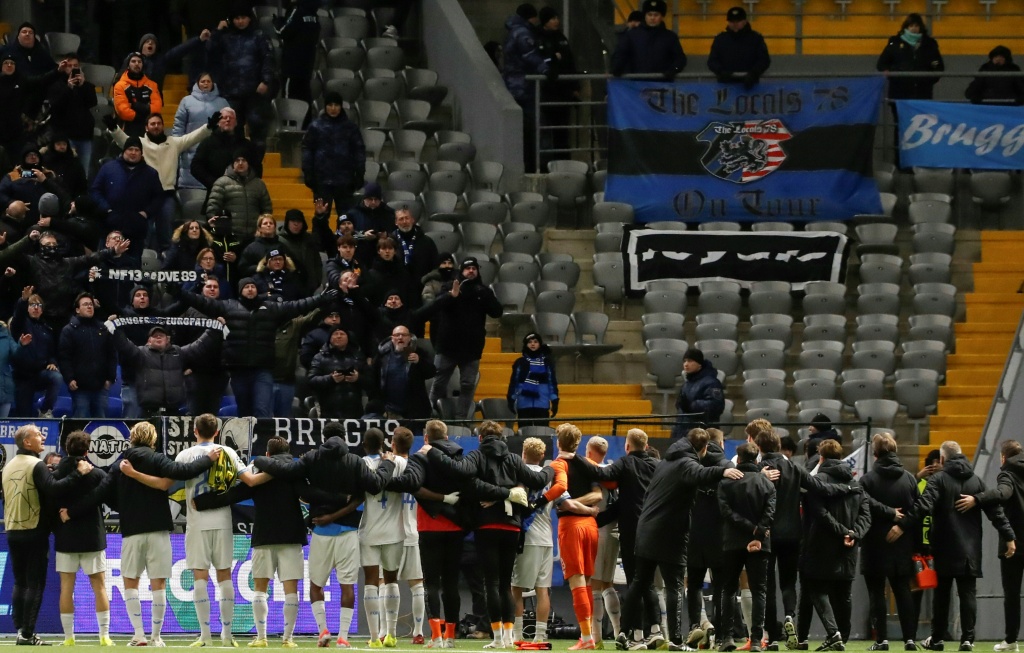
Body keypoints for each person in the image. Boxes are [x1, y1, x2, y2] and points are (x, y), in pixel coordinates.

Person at [250, 422, 397, 649]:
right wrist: (388, 463)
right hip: (348, 532)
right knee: (347, 586)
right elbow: (376, 485)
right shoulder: (355, 461)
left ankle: (323, 631)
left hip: (320, 532)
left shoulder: (312, 458)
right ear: (344, 436)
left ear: (323, 437)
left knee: (316, 585)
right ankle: (343, 637)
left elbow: (287, 472)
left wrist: (259, 460)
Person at [78, 422, 219, 646]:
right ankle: (156, 637)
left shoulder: (119, 464)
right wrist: (208, 459)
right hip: (158, 529)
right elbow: (183, 472)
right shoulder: (157, 459)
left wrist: (77, 510)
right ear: (153, 439)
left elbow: (100, 494)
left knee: (130, 582)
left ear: (132, 438)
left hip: (132, 531)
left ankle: (138, 635)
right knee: (158, 584)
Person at [618, 429, 744, 651]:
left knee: (639, 582)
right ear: (704, 448)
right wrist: (724, 471)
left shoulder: (665, 462)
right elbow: (700, 474)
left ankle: (623, 633)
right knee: (675, 585)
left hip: (645, 528)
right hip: (670, 533)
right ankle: (676, 640)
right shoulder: (687, 463)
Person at [421, 420, 543, 649]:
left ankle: (497, 638)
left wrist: (432, 451)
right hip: (512, 526)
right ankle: (508, 636)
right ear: (502, 437)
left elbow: (462, 474)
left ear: (479, 438)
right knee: (505, 584)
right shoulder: (514, 459)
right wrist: (554, 468)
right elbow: (538, 480)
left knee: (491, 583)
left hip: (486, 526)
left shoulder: (476, 456)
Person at [192, 436, 306, 648]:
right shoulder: (294, 472)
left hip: (264, 535)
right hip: (292, 536)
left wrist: (203, 501)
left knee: (260, 589)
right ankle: (288, 639)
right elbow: (307, 495)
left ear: (268, 454)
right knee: (291, 590)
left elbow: (233, 494)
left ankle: (262, 638)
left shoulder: (258, 471)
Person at [904, 441, 1016, 651]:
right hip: (970, 548)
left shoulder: (938, 479)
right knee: (968, 594)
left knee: (942, 595)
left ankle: (937, 639)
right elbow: (996, 513)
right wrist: (1009, 536)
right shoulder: (977, 481)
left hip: (944, 546)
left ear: (942, 459)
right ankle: (967, 639)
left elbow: (924, 506)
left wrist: (902, 524)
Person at [172, 277, 336, 417]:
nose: (250, 289)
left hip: (262, 370)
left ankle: (262, 443)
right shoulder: (227, 306)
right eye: (246, 287)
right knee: (244, 411)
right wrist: (180, 293)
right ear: (240, 290)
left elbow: (298, 305)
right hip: (238, 369)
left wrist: (321, 299)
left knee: (262, 410)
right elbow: (201, 301)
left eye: (253, 286)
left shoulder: (271, 308)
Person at [1, 423, 93, 646]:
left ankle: (20, 630)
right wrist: (79, 473)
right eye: (37, 435)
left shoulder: (9, 465)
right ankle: (27, 634)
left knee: (20, 582)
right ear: (27, 442)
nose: (42, 437)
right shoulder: (36, 465)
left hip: (12, 530)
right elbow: (55, 489)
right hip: (34, 531)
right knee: (34, 583)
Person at [104, 110, 218, 253]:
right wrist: (114, 128)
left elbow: (193, 137)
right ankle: (143, 259)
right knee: (143, 233)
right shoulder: (140, 143)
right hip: (145, 197)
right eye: (152, 124)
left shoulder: (174, 143)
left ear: (163, 126)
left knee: (166, 234)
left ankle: (166, 260)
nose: (156, 126)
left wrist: (208, 127)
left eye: (159, 123)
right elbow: (123, 140)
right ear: (146, 127)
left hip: (166, 196)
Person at [798, 439, 870, 652]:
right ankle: (843, 637)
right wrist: (854, 533)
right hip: (849, 547)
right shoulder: (855, 483)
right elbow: (866, 514)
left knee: (816, 589)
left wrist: (842, 531)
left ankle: (833, 633)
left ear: (820, 458)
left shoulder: (817, 482)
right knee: (843, 594)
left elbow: (820, 513)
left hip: (820, 544)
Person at [859, 433, 920, 652]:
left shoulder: (867, 480)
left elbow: (862, 504)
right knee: (903, 591)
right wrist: (902, 526)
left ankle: (881, 640)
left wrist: (887, 514)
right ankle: (909, 639)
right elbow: (919, 510)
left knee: (876, 593)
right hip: (902, 544)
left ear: (874, 454)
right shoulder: (909, 479)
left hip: (874, 544)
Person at [961, 439, 1024, 652]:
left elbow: (1002, 493)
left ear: (1003, 457)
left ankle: (1011, 641)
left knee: (1012, 593)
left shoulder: (1007, 474)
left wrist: (977, 499)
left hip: (1014, 543)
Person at [51, 430, 113, 647]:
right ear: (88, 450)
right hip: (91, 537)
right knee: (100, 586)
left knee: (66, 587)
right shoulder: (97, 475)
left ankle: (69, 638)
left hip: (66, 537)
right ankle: (104, 636)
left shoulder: (57, 474)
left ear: (66, 448)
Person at [424, 257, 502, 419]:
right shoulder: (449, 286)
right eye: (467, 268)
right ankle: (427, 414)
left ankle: (461, 419)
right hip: (447, 347)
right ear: (461, 271)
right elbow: (436, 305)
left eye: (474, 268)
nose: (471, 271)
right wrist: (451, 296)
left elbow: (497, 312)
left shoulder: (483, 291)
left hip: (472, 349)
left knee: (468, 385)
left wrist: (485, 295)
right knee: (438, 383)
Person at [717, 443, 776, 653]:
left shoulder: (726, 483)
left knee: (728, 590)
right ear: (757, 459)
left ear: (739, 459)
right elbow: (770, 512)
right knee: (759, 591)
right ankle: (757, 640)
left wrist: (749, 528)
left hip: (732, 542)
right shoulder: (767, 483)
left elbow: (726, 512)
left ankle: (727, 638)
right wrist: (757, 533)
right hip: (760, 544)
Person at [207, 1, 276, 161]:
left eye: (243, 17)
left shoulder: (259, 36)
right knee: (232, 134)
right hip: (231, 93)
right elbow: (210, 51)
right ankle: (237, 165)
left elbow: (268, 59)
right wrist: (217, 31)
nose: (240, 21)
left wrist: (266, 80)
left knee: (258, 133)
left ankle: (256, 166)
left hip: (255, 93)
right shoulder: (225, 37)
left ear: (249, 18)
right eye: (237, 18)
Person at [684, 428, 732, 649]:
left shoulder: (691, 464)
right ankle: (721, 635)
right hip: (721, 533)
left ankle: (696, 627)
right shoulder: (727, 466)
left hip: (694, 530)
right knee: (722, 586)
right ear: (721, 444)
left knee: (694, 584)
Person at [110, 323, 222, 416]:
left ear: (167, 340)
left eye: (161, 335)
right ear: (149, 341)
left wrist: (213, 330)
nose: (158, 337)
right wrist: (116, 328)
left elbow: (199, 346)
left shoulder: (178, 353)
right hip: (148, 412)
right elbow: (124, 345)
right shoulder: (141, 353)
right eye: (155, 336)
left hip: (173, 411)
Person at [89, 135, 165, 262]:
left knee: (133, 266)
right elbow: (95, 190)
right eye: (130, 149)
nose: (133, 153)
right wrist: (106, 208)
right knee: (103, 263)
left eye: (137, 150)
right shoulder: (108, 168)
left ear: (141, 153)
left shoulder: (150, 173)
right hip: (109, 225)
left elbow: (159, 197)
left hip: (136, 228)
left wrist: (146, 213)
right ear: (124, 151)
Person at [510, 437, 555, 644]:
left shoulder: (519, 473)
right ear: (542, 456)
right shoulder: (550, 478)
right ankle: (539, 635)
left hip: (528, 538)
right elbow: (565, 503)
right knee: (542, 589)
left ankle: (517, 634)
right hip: (547, 538)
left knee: (516, 588)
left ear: (523, 453)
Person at [502, 4, 552, 173]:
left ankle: (530, 163)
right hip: (523, 86)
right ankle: (535, 165)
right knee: (534, 127)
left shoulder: (513, 31)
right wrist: (545, 69)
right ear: (531, 17)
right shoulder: (523, 33)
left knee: (526, 129)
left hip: (515, 84)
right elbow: (530, 54)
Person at [302, 91, 365, 218]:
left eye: (336, 105)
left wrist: (359, 173)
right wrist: (308, 172)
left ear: (341, 107)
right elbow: (307, 150)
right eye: (330, 105)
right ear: (325, 107)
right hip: (321, 180)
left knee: (346, 218)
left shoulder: (350, 128)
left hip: (345, 180)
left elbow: (358, 150)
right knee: (321, 217)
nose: (333, 108)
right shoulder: (315, 127)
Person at [59, 292, 116, 417]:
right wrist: (69, 378)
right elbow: (64, 357)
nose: (89, 306)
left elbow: (111, 355)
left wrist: (110, 378)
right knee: (80, 423)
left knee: (101, 425)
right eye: (85, 304)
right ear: (77, 310)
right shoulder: (69, 330)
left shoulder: (102, 329)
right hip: (79, 388)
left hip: (101, 387)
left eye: (91, 304)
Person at [174, 72, 232, 190]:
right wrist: (176, 145)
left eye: (208, 81)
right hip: (190, 147)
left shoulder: (223, 102)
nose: (206, 84)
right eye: (203, 81)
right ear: (197, 84)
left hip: (216, 148)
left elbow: (229, 124)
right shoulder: (186, 101)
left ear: (213, 84)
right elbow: (179, 125)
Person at [10, 287, 61, 417]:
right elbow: (17, 316)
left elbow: (52, 352)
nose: (36, 307)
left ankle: (45, 411)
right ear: (27, 308)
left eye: (39, 305)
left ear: (42, 310)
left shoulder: (47, 329)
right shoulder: (22, 323)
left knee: (56, 377)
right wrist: (23, 300)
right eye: (32, 305)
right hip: (23, 377)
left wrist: (52, 362)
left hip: (40, 374)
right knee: (23, 415)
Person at [371, 325, 437, 421]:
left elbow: (432, 372)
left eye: (404, 335)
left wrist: (419, 361)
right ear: (392, 338)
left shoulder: (419, 352)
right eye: (397, 335)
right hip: (389, 410)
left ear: (409, 338)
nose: (400, 337)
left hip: (415, 410)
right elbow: (374, 379)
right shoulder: (382, 355)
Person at [46, 54, 97, 176]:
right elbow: (55, 106)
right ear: (63, 67)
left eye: (75, 66)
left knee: (84, 172)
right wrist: (68, 88)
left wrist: (83, 85)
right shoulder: (56, 85)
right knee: (65, 172)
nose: (72, 68)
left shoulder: (86, 85)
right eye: (69, 66)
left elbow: (92, 102)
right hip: (66, 136)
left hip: (85, 135)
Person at [205, 149, 273, 238]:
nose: (240, 163)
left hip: (254, 235)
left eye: (244, 160)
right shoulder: (221, 183)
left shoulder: (259, 184)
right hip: (230, 236)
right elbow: (212, 208)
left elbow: (267, 209)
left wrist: (261, 229)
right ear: (233, 163)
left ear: (248, 163)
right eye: (237, 160)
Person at [611, 0, 687, 79]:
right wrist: (616, 68)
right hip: (636, 83)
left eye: (656, 15)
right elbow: (620, 54)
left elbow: (680, 58)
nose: (652, 18)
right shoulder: (631, 35)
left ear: (662, 17)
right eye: (649, 14)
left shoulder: (670, 37)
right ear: (645, 16)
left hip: (662, 83)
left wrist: (674, 69)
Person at [191, 108, 262, 191]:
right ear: (218, 122)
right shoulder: (208, 143)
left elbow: (257, 168)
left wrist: (245, 183)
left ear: (236, 122)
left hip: (242, 191)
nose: (228, 120)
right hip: (216, 191)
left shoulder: (246, 145)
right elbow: (195, 167)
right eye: (224, 117)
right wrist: (214, 183)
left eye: (231, 118)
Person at [877, 13, 944, 102]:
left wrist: (928, 80)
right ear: (906, 27)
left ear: (920, 27)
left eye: (916, 26)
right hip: (899, 90)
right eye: (911, 26)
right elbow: (882, 63)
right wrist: (892, 76)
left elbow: (938, 66)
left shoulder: (930, 44)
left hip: (923, 91)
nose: (913, 28)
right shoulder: (895, 42)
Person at [308, 327, 367, 419]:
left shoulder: (358, 356)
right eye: (335, 334)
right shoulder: (320, 357)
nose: (339, 336)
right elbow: (311, 380)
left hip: (354, 411)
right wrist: (330, 379)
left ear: (348, 338)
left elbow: (370, 380)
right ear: (330, 338)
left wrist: (358, 378)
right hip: (328, 411)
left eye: (342, 334)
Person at [707, 7, 771, 89]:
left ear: (745, 21)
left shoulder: (756, 38)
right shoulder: (720, 39)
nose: (735, 24)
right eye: (731, 21)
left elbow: (764, 60)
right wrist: (721, 72)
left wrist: (754, 73)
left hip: (750, 86)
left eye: (738, 21)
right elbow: (712, 61)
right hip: (726, 85)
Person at [275, 0, 321, 104]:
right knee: (304, 100)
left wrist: (277, 22)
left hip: (292, 66)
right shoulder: (314, 13)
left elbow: (282, 31)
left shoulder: (297, 10)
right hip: (307, 67)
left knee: (289, 102)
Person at [672, 348, 725, 436]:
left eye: (690, 361)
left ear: (699, 363)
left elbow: (716, 406)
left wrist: (691, 405)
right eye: (684, 361)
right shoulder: (687, 384)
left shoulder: (712, 383)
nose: (686, 364)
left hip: (702, 434)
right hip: (683, 432)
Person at [507, 332, 559, 422]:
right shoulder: (520, 362)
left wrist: (554, 400)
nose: (533, 344)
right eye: (530, 342)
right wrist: (511, 399)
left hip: (542, 403)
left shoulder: (547, 362)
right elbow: (514, 382)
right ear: (526, 345)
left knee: (542, 430)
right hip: (524, 404)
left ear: (540, 344)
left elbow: (552, 382)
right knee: (524, 429)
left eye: (535, 342)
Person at [391, 209, 439, 304]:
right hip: (397, 289)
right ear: (396, 222)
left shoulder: (427, 241)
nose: (404, 222)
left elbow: (435, 265)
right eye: (401, 219)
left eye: (407, 218)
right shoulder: (390, 241)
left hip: (422, 288)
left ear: (413, 220)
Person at [112, 53, 162, 137]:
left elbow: (157, 108)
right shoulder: (119, 85)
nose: (136, 64)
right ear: (128, 65)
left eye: (139, 62)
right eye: (133, 61)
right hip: (127, 128)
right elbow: (123, 111)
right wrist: (145, 109)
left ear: (143, 65)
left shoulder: (152, 85)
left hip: (148, 128)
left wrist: (134, 106)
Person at [278, 209, 323, 297]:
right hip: (289, 289)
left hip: (310, 288)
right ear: (287, 222)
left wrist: (317, 280)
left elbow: (317, 261)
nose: (296, 224)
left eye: (299, 221)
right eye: (293, 221)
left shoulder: (309, 239)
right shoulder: (279, 241)